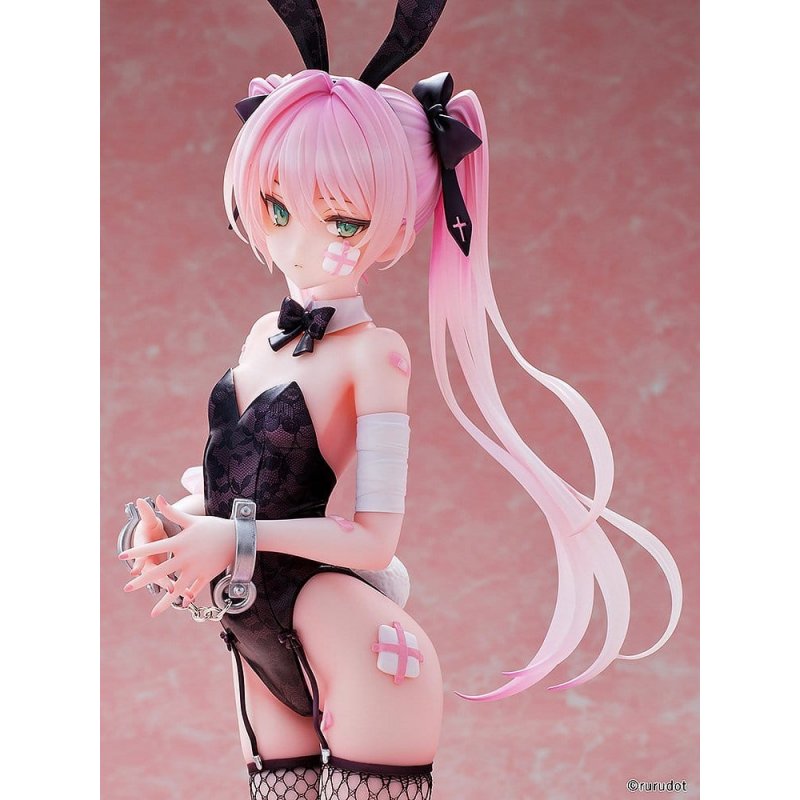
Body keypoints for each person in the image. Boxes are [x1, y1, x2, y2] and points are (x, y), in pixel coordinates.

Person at [119, 2, 682, 798]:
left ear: (395, 229)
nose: (298, 242)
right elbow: (232, 481)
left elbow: (375, 540)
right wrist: (177, 526)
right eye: (277, 209)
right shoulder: (260, 337)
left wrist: (230, 539)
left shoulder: (377, 355)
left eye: (340, 220)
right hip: (251, 637)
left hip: (355, 642)